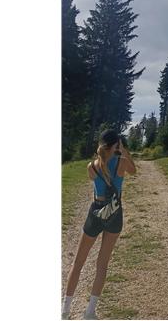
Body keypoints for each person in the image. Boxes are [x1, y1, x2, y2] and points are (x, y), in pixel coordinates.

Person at [62, 129, 137, 320]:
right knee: (102, 264)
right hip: (114, 212)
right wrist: (125, 152)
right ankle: (90, 311)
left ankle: (65, 310)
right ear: (116, 145)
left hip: (96, 210)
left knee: (78, 263)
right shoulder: (121, 163)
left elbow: (95, 180)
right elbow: (133, 171)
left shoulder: (91, 166)